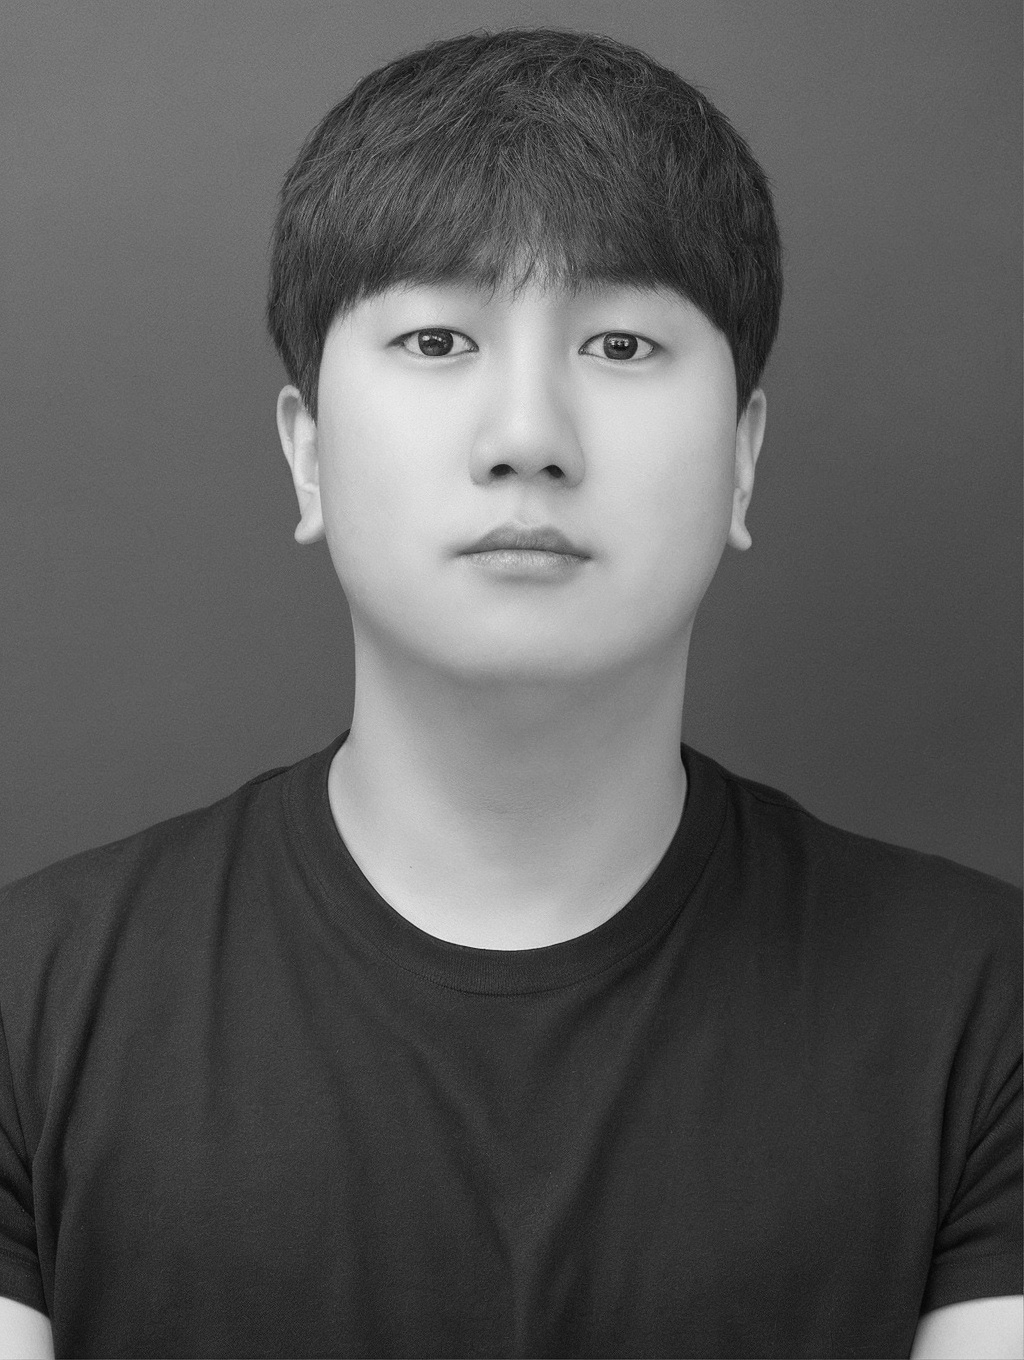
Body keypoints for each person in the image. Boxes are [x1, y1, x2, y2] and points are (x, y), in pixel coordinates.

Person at [0, 27, 1020, 1360]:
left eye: (621, 344)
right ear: (307, 455)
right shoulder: (30, 1006)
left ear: (742, 459)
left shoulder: (984, 1016)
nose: (529, 437)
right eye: (437, 338)